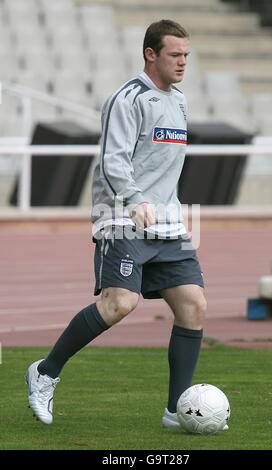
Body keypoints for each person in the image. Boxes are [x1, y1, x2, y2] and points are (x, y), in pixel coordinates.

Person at [26, 19, 207, 428]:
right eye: (175, 55)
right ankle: (45, 372)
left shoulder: (179, 101)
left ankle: (175, 411)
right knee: (119, 303)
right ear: (151, 54)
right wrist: (136, 200)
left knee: (194, 304)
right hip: (122, 217)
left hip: (168, 223)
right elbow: (113, 161)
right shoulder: (127, 99)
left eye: (186, 56)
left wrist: (166, 208)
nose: (182, 63)